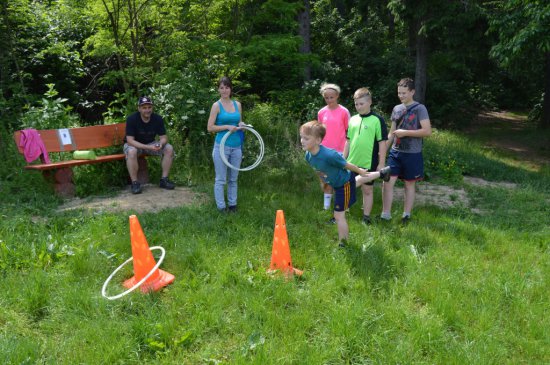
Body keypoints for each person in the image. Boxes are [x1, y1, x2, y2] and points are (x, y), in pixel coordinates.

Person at [300, 121, 390, 247]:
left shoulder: (329, 155)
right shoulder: (308, 155)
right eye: (301, 137)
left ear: (318, 140)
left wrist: (359, 170)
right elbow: (318, 169)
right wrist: (323, 180)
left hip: (343, 183)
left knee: (338, 215)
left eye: (306, 138)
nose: (302, 141)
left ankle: (343, 243)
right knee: (358, 180)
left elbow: (347, 164)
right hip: (336, 182)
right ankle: (382, 173)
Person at [381, 78, 432, 224]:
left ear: (412, 92)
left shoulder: (420, 108)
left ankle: (406, 215)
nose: (401, 96)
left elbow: (427, 131)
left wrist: (406, 133)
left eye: (404, 93)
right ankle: (385, 215)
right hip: (395, 153)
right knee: (387, 182)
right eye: (399, 93)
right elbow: (392, 132)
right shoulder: (396, 108)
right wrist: (383, 150)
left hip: (413, 154)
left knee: (409, 184)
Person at [344, 88, 388, 225]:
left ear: (370, 102)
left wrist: (381, 163)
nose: (358, 107)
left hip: (369, 162)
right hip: (351, 162)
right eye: (356, 104)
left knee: (367, 189)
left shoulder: (377, 120)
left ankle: (366, 217)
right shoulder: (352, 119)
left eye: (361, 103)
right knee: (346, 188)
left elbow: (382, 143)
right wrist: (342, 159)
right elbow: (348, 141)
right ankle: (341, 213)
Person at [207, 76, 246, 213]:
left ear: (231, 89)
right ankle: (221, 207)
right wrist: (226, 127)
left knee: (233, 179)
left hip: (236, 147)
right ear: (218, 89)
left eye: (227, 87)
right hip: (221, 147)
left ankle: (233, 205)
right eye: (222, 87)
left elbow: (239, 123)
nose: (224, 90)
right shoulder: (216, 106)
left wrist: (242, 125)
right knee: (221, 179)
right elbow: (210, 127)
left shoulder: (238, 105)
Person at [124, 96, 175, 194]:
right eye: (144, 108)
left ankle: (164, 180)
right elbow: (130, 141)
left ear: (152, 108)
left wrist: (160, 143)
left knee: (169, 148)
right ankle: (135, 183)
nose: (147, 110)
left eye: (149, 107)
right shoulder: (131, 119)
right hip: (134, 144)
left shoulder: (158, 119)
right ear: (139, 108)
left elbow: (164, 137)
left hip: (150, 143)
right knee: (131, 151)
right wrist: (148, 147)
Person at [317, 83, 351, 211]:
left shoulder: (344, 111)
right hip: (324, 151)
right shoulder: (321, 112)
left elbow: (350, 132)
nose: (329, 100)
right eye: (327, 98)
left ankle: (343, 205)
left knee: (340, 179)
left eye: (332, 97)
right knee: (325, 178)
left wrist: (346, 151)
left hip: (340, 151)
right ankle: (326, 207)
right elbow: (319, 132)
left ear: (337, 96)